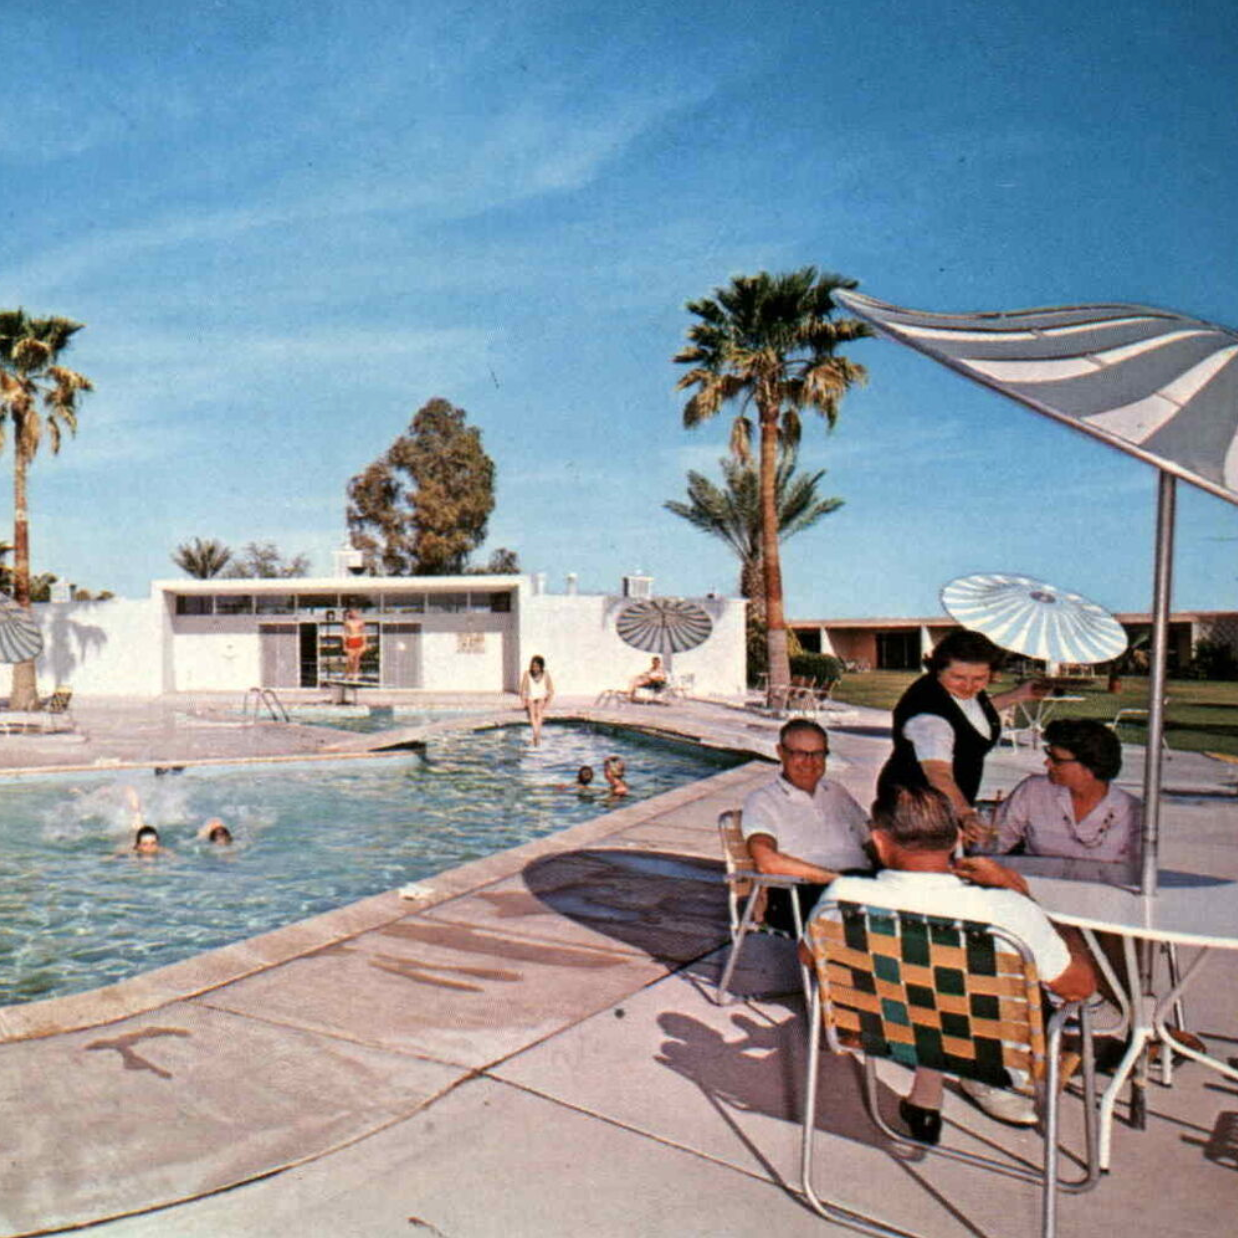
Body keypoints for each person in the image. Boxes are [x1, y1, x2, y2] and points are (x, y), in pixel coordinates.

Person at [813, 784, 1096, 1141]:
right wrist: (1034, 903)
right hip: (988, 1052)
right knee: (957, 992)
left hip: (887, 1033)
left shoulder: (841, 899)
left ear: (880, 841)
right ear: (957, 839)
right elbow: (1080, 987)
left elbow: (811, 958)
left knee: (924, 985)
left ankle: (924, 1097)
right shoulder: (1008, 911)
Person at [877, 629, 1046, 842]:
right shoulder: (929, 717)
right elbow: (938, 774)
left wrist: (1021, 694)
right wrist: (966, 815)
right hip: (915, 809)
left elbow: (971, 716)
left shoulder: (958, 692)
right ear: (938, 670)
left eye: (979, 678)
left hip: (948, 803)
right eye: (958, 677)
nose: (968, 686)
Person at [741, 718, 871, 932]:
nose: (810, 762)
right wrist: (835, 879)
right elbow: (766, 861)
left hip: (855, 885)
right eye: (800, 753)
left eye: (818, 754)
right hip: (800, 892)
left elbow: (872, 843)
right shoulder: (764, 800)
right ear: (781, 752)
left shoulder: (836, 792)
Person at [989, 718, 1141, 871]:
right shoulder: (1033, 790)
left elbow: (1136, 875)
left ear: (1090, 768)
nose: (1047, 763)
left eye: (1057, 760)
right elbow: (995, 841)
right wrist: (977, 836)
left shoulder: (1132, 813)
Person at [519, 655, 554, 745]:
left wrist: (548, 702)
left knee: (538, 710)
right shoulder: (527, 674)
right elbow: (523, 689)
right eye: (533, 666)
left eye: (537, 666)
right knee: (531, 711)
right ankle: (536, 735)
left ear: (541, 666)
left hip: (541, 697)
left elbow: (551, 690)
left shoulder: (546, 674)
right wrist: (523, 702)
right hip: (531, 697)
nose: (534, 668)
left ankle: (536, 735)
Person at [342, 609, 368, 678]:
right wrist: (344, 645)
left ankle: (355, 674)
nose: (354, 614)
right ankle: (347, 673)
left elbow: (363, 633)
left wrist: (365, 644)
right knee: (350, 659)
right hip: (350, 640)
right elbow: (345, 633)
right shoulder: (347, 622)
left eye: (355, 612)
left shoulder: (361, 622)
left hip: (358, 639)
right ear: (350, 614)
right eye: (352, 613)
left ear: (357, 613)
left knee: (357, 659)